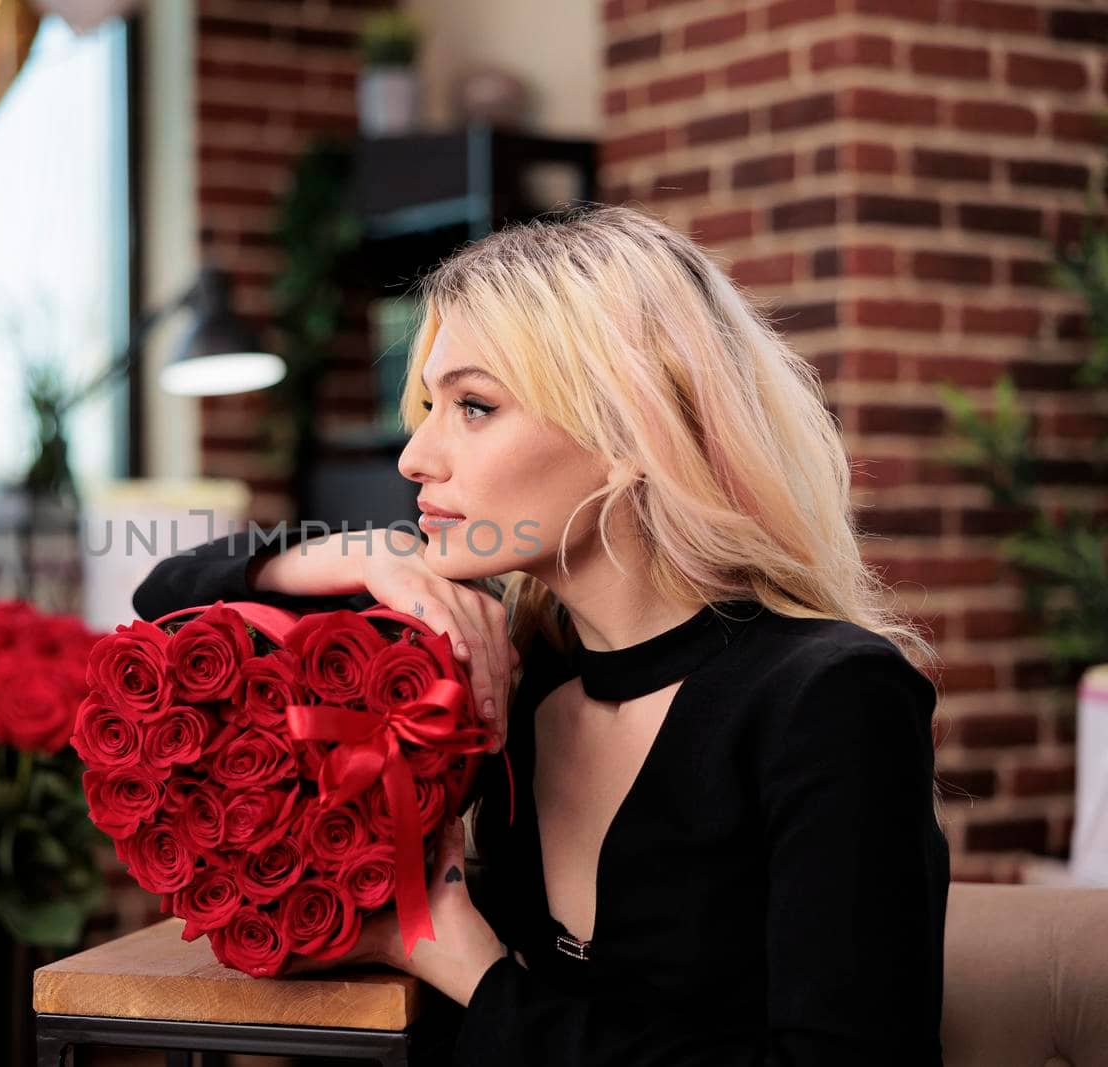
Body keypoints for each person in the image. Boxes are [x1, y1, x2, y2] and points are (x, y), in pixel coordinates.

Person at [130, 203, 950, 1065]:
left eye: (474, 406)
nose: (415, 457)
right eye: (428, 406)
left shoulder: (830, 698)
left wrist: (471, 968)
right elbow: (163, 609)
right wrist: (351, 555)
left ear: (629, 433)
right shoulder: (517, 666)